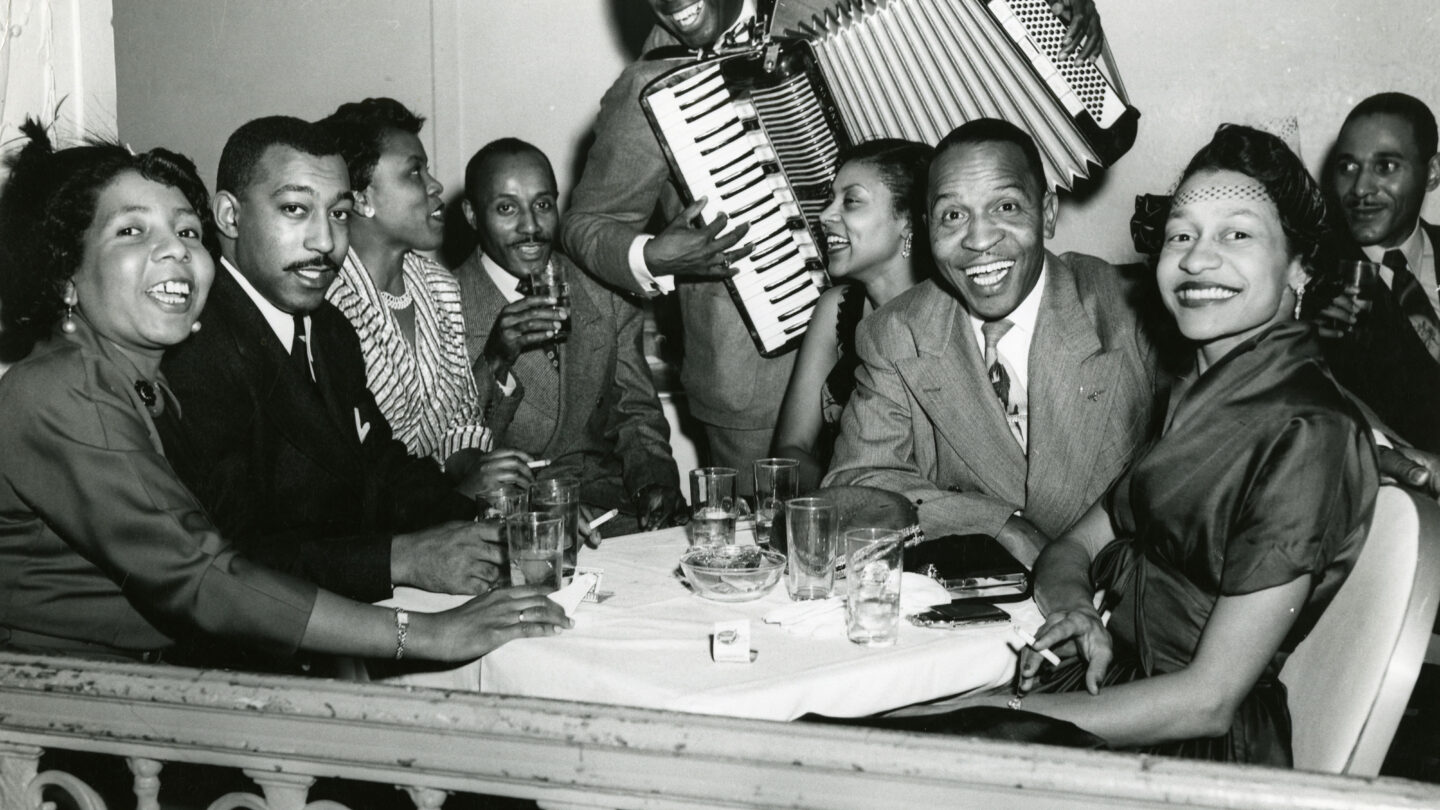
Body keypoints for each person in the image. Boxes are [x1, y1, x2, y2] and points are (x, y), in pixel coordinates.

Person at [882, 125, 1378, 767]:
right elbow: (1075, 544)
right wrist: (1073, 612)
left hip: (1187, 747)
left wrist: (994, 716)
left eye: (1237, 234)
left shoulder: (1307, 430)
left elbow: (1209, 700)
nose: (1198, 259)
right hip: (1113, 685)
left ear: (1301, 265)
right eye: (1181, 235)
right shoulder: (1200, 395)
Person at [0, 121, 567, 665]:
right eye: (131, 230)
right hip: (69, 710)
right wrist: (426, 634)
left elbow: (374, 473)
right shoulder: (64, 388)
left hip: (157, 678)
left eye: (186, 231)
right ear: (65, 275)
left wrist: (495, 524)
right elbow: (207, 575)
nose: (174, 251)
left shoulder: (132, 378)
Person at [563, 0, 1108, 497]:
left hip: (918, 330)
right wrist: (653, 257)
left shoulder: (828, 11)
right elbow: (586, 222)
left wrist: (1062, 24)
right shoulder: (654, 86)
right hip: (751, 384)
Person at [157, 117, 501, 607]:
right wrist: (399, 559)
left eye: (338, 214)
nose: (324, 241)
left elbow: (381, 470)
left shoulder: (330, 329)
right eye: (295, 209)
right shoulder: (195, 349)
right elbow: (231, 559)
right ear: (229, 217)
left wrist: (494, 518)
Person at [822, 119, 1161, 567]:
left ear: (1048, 213)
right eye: (953, 216)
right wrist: (1000, 523)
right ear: (927, 229)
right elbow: (857, 480)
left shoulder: (1134, 311)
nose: (979, 240)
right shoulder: (895, 334)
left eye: (1005, 206)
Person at [456, 138, 685, 534]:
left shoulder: (601, 288)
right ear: (473, 215)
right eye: (506, 208)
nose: (530, 227)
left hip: (612, 506)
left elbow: (635, 410)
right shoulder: (444, 303)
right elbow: (451, 453)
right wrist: (496, 358)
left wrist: (655, 482)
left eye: (543, 205)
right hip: (508, 519)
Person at [318, 97, 531, 486]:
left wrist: (481, 473)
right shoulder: (329, 302)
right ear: (361, 199)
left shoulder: (439, 286)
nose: (435, 186)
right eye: (414, 172)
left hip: (435, 507)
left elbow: (460, 421)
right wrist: (456, 493)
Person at [771, 139, 932, 493]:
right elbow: (790, 450)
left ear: (908, 221)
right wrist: (845, 494)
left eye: (851, 201)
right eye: (832, 199)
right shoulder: (835, 309)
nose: (825, 215)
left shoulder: (945, 318)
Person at [1306, 92, 1440, 452]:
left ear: (1432, 173)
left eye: (1386, 166)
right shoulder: (1310, 280)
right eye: (1348, 167)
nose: (1360, 188)